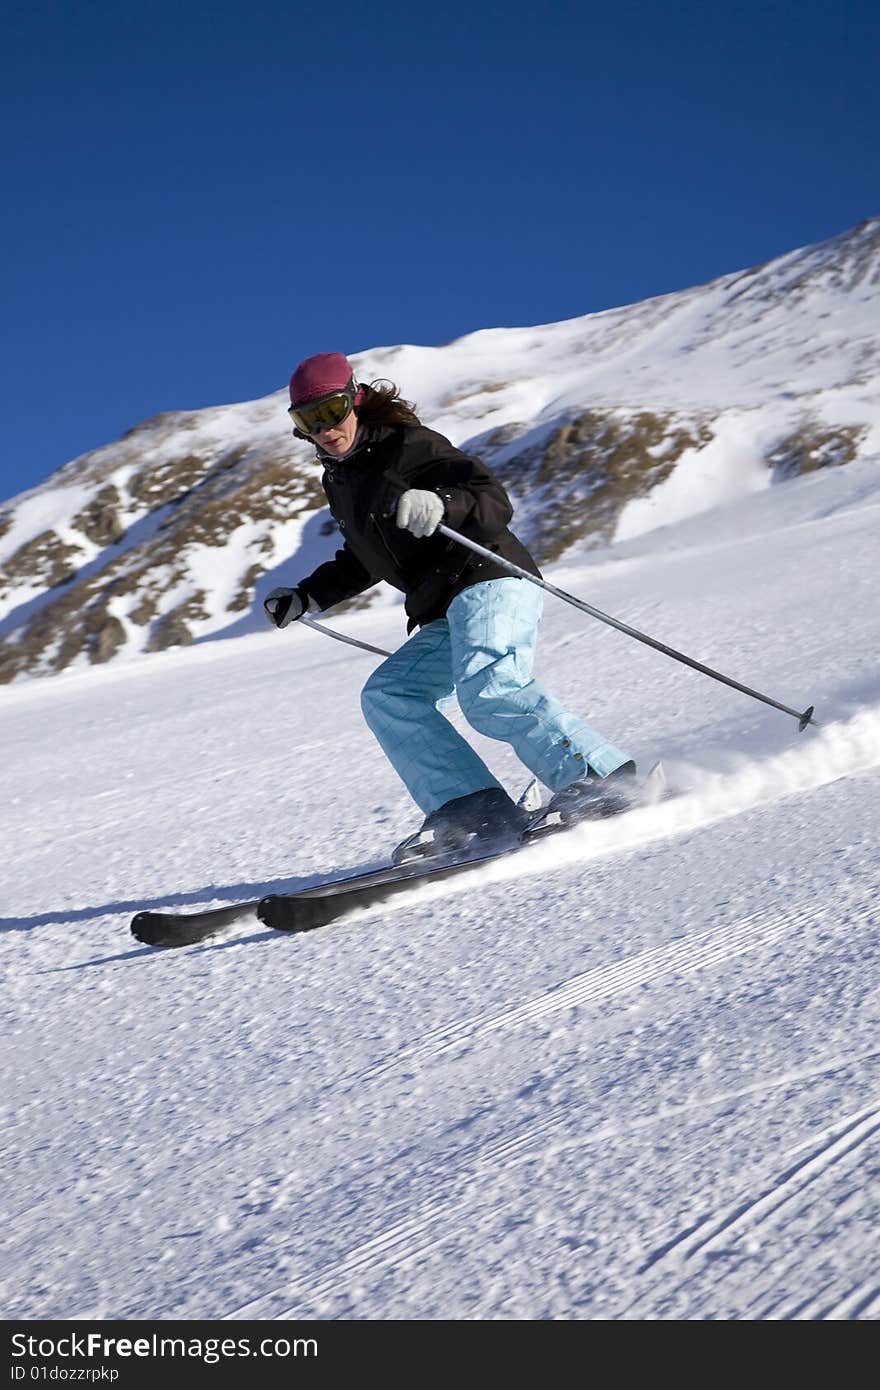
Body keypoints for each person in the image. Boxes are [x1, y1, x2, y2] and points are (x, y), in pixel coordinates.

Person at [264, 351, 635, 860]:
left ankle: (601, 781)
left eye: (330, 411)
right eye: (309, 420)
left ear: (355, 399)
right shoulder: (342, 479)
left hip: (488, 577)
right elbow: (363, 557)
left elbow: (490, 496)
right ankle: (474, 810)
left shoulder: (407, 444)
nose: (324, 429)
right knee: (391, 695)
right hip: (440, 606)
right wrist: (307, 595)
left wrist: (442, 502)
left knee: (490, 688)